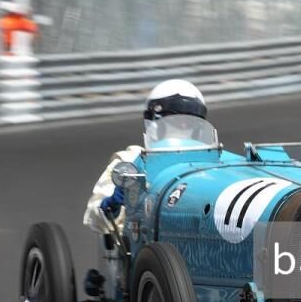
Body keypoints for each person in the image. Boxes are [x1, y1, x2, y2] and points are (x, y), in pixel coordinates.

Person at [83, 80, 208, 234]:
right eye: (175, 119)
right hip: (139, 239)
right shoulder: (129, 162)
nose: (183, 125)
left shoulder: (211, 163)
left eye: (190, 120)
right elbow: (94, 218)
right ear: (153, 121)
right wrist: (112, 203)